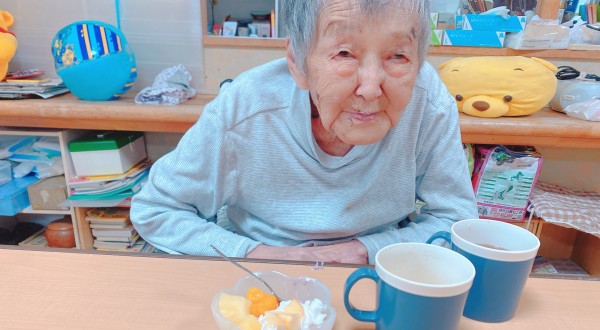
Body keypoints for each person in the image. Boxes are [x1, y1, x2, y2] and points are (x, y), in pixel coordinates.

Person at [130, 0, 478, 265]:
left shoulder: (429, 105)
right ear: (297, 62)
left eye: (398, 56)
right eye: (344, 53)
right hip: (259, 270)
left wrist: (362, 251)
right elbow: (157, 209)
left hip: (378, 269)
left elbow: (456, 220)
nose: (371, 88)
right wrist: (261, 255)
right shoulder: (245, 107)